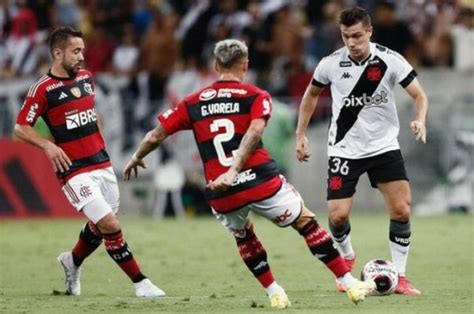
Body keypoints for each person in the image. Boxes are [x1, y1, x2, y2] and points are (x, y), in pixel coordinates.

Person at [123, 39, 375, 309]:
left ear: (216, 65)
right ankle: (349, 283)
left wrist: (137, 157)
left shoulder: (192, 102)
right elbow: (254, 132)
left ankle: (274, 292)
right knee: (305, 222)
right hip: (259, 180)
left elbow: (155, 136)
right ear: (245, 64)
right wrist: (234, 169)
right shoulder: (255, 96)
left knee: (244, 236)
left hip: (222, 191)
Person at [14, 26, 165, 298]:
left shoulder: (86, 78)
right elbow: (20, 127)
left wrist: (102, 143)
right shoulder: (43, 88)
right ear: (58, 53)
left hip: (101, 163)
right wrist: (48, 145)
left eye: (82, 50)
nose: (81, 56)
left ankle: (71, 261)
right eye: (76, 51)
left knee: (101, 225)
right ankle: (141, 283)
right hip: (74, 171)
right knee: (110, 225)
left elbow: (91, 114)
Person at [295, 7, 428, 296]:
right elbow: (311, 95)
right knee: (338, 216)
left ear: (369, 31)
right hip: (345, 148)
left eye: (357, 36)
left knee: (402, 210)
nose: (351, 43)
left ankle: (401, 277)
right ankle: (347, 258)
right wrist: (301, 134)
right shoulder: (330, 64)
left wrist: (420, 119)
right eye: (346, 37)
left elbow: (419, 95)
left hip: (383, 146)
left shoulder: (390, 60)